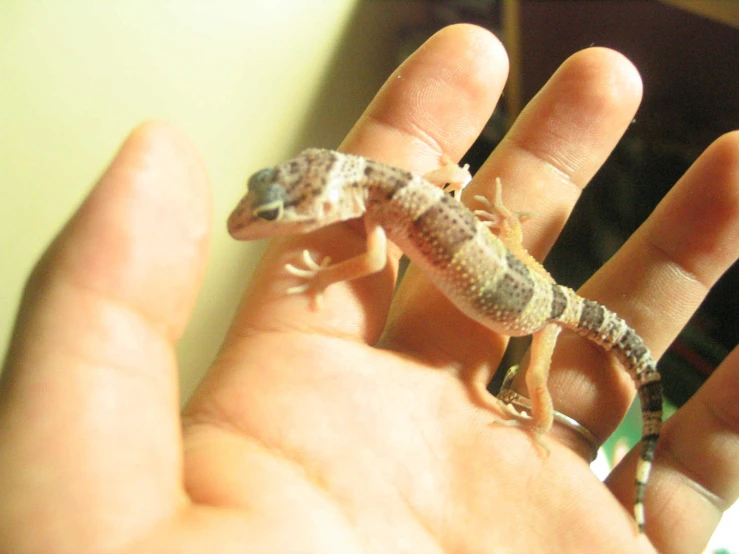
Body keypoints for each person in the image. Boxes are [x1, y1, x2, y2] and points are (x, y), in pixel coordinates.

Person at [1, 24, 737, 553]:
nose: (265, 223)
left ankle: (540, 428)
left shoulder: (385, 213)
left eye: (278, 213)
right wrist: (498, 227)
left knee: (547, 392)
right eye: (272, 207)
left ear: (325, 200)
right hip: (530, 280)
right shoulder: (395, 188)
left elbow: (365, 263)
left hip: (535, 313)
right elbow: (438, 186)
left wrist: (326, 267)